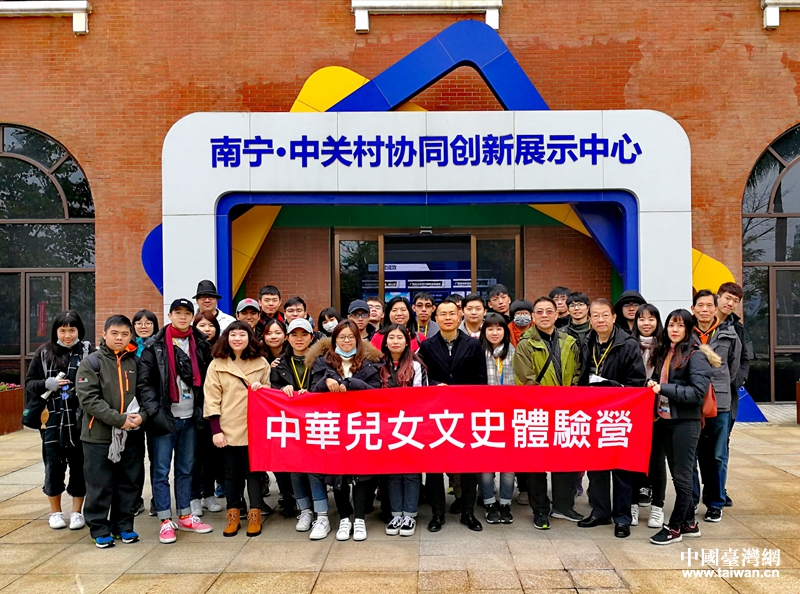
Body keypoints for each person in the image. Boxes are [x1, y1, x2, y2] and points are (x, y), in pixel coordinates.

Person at [138, 298, 214, 544]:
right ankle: (164, 519)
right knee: (161, 471)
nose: (182, 317)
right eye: (177, 312)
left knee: (186, 469)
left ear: (192, 316)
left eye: (187, 313)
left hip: (191, 416)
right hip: (165, 418)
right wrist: (156, 413)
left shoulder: (200, 343)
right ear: (169, 315)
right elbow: (145, 384)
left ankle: (185, 515)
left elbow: (208, 378)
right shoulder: (155, 346)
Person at [302, 320, 383, 541]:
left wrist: (352, 383)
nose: (346, 341)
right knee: (338, 473)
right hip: (334, 426)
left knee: (361, 473)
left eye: (350, 337)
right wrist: (325, 381)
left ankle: (359, 519)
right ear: (334, 340)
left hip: (360, 425)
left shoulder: (369, 362)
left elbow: (376, 392)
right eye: (341, 337)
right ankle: (345, 517)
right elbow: (312, 393)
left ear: (358, 339)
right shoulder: (323, 362)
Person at [648, 309, 720, 545]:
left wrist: (663, 388)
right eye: (671, 325)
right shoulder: (666, 352)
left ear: (688, 329)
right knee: (678, 474)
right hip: (665, 420)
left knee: (683, 477)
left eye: (680, 325)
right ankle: (689, 523)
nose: (674, 329)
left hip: (686, 423)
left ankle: (675, 527)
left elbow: (697, 393)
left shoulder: (695, 355)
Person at [578, 298, 647, 538]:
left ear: (614, 317)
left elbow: (638, 382)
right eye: (595, 316)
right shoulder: (586, 342)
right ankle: (600, 512)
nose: (600, 320)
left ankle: (622, 518)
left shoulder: (628, 344)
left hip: (618, 414)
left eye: (605, 315)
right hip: (592, 413)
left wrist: (611, 387)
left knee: (621, 468)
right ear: (590, 319)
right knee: (595, 468)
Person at [418, 296, 488, 533]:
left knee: (468, 465)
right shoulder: (427, 346)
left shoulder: (473, 345)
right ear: (436, 318)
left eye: (452, 314)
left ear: (460, 317)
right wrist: (435, 386)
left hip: (465, 413)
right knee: (435, 466)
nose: (448, 318)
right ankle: (437, 513)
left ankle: (468, 512)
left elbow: (480, 380)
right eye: (443, 314)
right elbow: (423, 377)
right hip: (435, 415)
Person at [514, 297, 584, 530]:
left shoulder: (569, 342)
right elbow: (525, 380)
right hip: (538, 411)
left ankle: (563, 505)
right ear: (533, 317)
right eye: (540, 312)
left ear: (556, 314)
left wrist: (569, 397)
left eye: (549, 311)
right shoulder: (525, 344)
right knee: (537, 464)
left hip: (566, 410)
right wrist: (550, 401)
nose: (544, 315)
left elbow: (578, 372)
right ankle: (540, 510)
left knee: (565, 460)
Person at [76, 315, 143, 548]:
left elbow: (147, 394)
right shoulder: (92, 362)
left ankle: (123, 526)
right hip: (98, 435)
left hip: (131, 434)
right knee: (100, 484)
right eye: (114, 333)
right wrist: (119, 420)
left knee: (129, 483)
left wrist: (142, 416)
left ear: (131, 336)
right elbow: (89, 399)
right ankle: (99, 528)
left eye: (125, 334)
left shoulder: (136, 362)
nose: (119, 338)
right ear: (104, 334)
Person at [24, 310, 92, 531]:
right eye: (63, 330)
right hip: (52, 419)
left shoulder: (88, 351)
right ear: (56, 331)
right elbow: (30, 382)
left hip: (79, 418)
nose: (67, 335)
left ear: (79, 330)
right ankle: (55, 512)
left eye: (72, 330)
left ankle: (76, 512)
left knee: (79, 466)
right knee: (53, 465)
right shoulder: (44, 352)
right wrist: (47, 384)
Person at [204, 321, 270, 538]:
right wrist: (216, 430)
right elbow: (211, 399)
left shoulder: (261, 363)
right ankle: (233, 516)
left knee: (254, 473)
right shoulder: (217, 365)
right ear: (226, 337)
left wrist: (262, 389)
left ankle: (255, 515)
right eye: (233, 334)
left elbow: (270, 393)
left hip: (255, 427)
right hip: (228, 428)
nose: (237, 339)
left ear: (250, 338)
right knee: (231, 475)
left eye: (242, 334)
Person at [691, 289, 741, 524]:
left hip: (720, 403)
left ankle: (715, 503)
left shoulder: (729, 334)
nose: (704, 310)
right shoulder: (685, 334)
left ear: (715, 308)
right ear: (693, 309)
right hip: (691, 402)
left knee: (718, 456)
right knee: (690, 456)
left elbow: (734, 369)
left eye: (709, 305)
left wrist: (718, 388)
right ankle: (690, 501)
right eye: (700, 305)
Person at [380, 324, 428, 538]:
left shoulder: (417, 365)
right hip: (385, 426)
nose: (395, 341)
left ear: (407, 342)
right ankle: (395, 514)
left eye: (400, 338)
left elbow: (421, 397)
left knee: (410, 472)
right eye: (391, 337)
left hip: (410, 425)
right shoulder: (379, 365)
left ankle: (409, 515)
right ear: (385, 342)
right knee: (392, 473)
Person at [270, 318, 318, 517]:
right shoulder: (279, 364)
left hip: (315, 422)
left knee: (315, 468)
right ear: (287, 338)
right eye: (294, 335)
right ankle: (304, 508)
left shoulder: (321, 361)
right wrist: (282, 390)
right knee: (295, 468)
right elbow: (272, 391)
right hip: (291, 423)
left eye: (304, 334)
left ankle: (320, 509)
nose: (299, 339)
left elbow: (325, 384)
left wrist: (313, 391)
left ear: (311, 337)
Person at [631, 304, 668, 529]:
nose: (646, 323)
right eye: (642, 319)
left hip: (658, 413)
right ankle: (633, 504)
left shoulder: (666, 347)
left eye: (651, 319)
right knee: (633, 458)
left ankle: (657, 507)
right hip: (634, 411)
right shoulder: (629, 345)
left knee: (657, 460)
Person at [478, 313, 516, 525]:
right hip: (484, 415)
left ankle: (505, 503)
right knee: (486, 462)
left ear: (505, 331)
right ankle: (489, 502)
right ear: (484, 332)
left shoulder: (514, 352)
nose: (494, 333)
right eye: (490, 329)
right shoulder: (478, 352)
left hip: (509, 415)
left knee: (508, 462)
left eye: (499, 328)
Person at [190, 311, 223, 517]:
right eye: (202, 325)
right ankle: (194, 497)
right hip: (193, 408)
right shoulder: (190, 348)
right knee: (194, 457)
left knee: (211, 457)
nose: (207, 329)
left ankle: (208, 495)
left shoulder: (220, 350)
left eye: (211, 325)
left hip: (214, 409)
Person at [130, 309, 159, 517]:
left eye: (148, 322)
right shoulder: (127, 349)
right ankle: (135, 499)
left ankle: (158, 499)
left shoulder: (160, 347)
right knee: (134, 457)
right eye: (139, 323)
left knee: (157, 457)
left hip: (155, 409)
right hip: (132, 410)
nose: (143, 326)